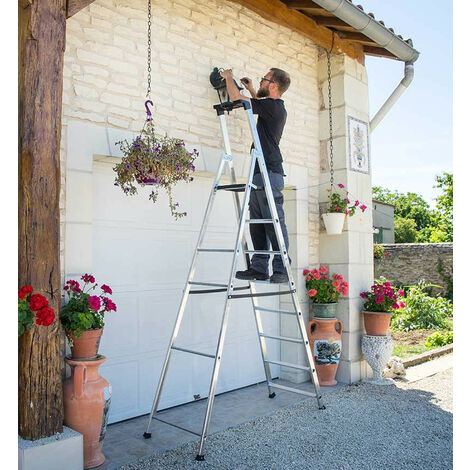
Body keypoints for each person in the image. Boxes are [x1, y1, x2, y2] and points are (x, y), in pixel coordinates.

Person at [220, 68, 291, 283]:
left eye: (264, 79)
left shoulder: (274, 106)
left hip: (269, 171)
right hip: (259, 170)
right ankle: (259, 268)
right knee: (258, 223)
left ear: (273, 85)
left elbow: (236, 98)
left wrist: (228, 77)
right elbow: (256, 101)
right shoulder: (270, 106)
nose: (261, 81)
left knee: (274, 221)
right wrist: (251, 88)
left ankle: (282, 269)